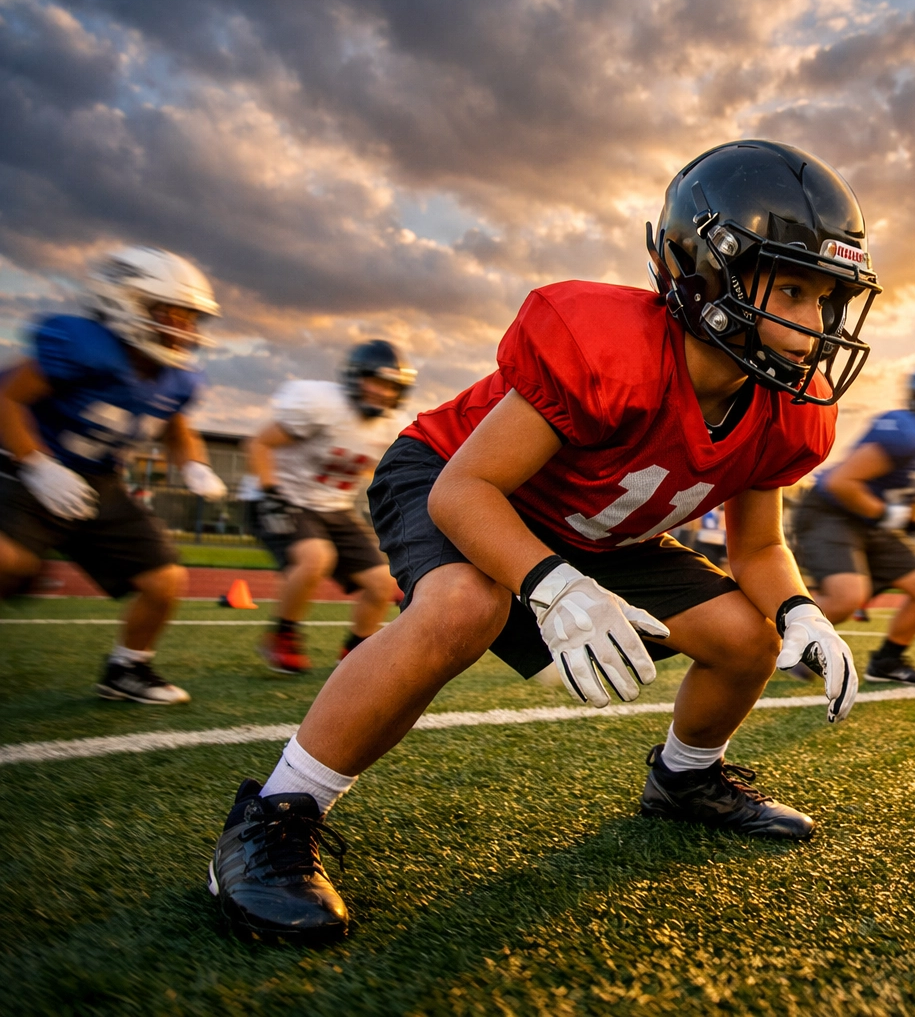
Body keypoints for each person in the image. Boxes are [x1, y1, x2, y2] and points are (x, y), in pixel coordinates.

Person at [207, 140, 877, 941]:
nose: (811, 327)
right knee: (463, 604)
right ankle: (278, 815)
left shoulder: (789, 406)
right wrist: (555, 587)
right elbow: (466, 491)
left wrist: (800, 609)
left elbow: (759, 548)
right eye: (792, 288)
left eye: (827, 296)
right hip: (460, 478)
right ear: (699, 267)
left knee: (746, 637)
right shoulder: (609, 347)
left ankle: (685, 780)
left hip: (598, 530)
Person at [0, 246, 227, 704]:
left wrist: (195, 465)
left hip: (99, 480)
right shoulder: (83, 346)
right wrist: (37, 464)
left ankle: (128, 667)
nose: (182, 328)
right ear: (123, 301)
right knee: (9, 563)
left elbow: (176, 429)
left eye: (189, 318)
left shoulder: (175, 379)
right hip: (26, 463)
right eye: (170, 313)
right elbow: (8, 399)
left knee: (165, 579)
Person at [791, 359, 915, 685]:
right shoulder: (906, 431)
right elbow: (841, 483)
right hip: (832, 512)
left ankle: (887, 662)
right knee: (846, 598)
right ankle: (765, 639)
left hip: (871, 519)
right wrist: (885, 514)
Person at [242, 341, 414, 674]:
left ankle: (355, 654)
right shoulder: (321, 404)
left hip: (334, 508)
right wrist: (269, 492)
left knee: (382, 583)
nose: (381, 392)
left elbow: (390, 479)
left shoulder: (390, 428)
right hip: (285, 496)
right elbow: (258, 443)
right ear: (355, 377)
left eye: (391, 386)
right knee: (316, 557)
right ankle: (282, 636)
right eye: (375, 381)